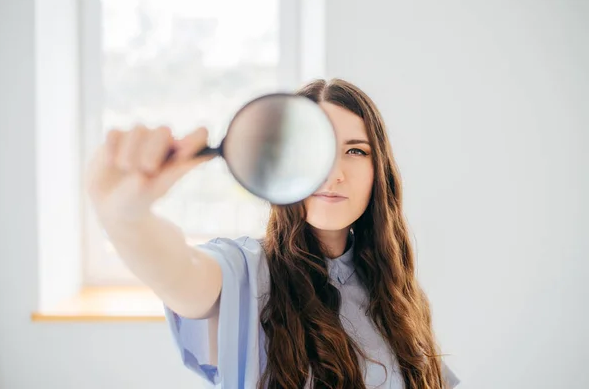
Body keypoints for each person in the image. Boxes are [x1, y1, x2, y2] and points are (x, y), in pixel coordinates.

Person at [85, 78, 460, 389]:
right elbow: (182, 271)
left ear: (380, 169)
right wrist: (126, 220)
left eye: (356, 151)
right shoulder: (247, 273)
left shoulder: (396, 290)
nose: (334, 173)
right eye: (316, 148)